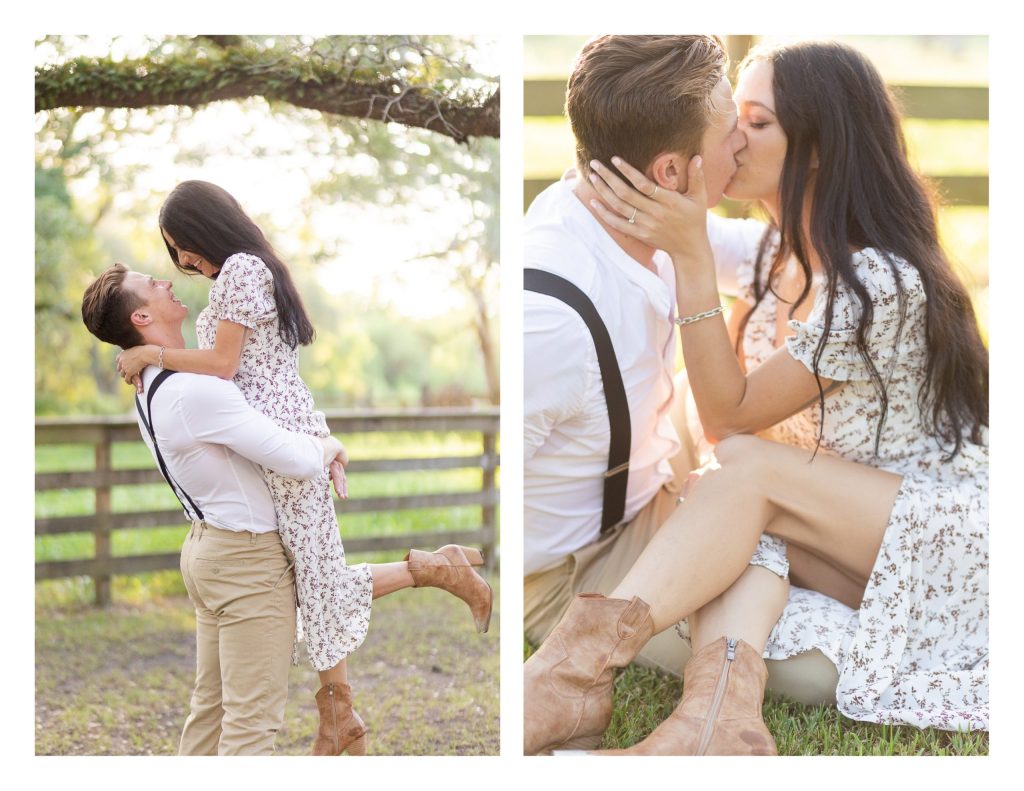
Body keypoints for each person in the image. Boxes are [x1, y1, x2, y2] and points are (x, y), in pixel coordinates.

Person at [527, 39, 988, 755]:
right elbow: (637, 197)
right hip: (842, 529)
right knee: (736, 520)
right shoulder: (777, 250)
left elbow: (729, 416)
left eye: (757, 122)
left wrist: (689, 261)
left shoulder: (879, 281)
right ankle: (711, 724)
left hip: (948, 540)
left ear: (814, 149)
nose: (734, 138)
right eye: (731, 119)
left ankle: (572, 668)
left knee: (743, 461)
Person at [93, 185, 492, 757]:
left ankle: (351, 701)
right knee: (316, 584)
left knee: (319, 584)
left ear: (204, 228)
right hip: (272, 444)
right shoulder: (235, 279)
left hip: (283, 443)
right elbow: (231, 372)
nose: (180, 265)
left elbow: (225, 367)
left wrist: (149, 354)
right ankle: (350, 703)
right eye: (173, 255)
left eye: (180, 248)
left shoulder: (242, 271)